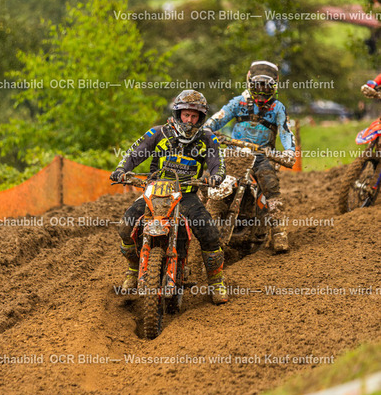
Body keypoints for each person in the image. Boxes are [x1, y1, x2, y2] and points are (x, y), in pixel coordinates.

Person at [110, 90, 228, 304]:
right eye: (186, 115)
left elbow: (217, 163)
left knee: (210, 233)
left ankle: (216, 282)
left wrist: (216, 176)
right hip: (155, 193)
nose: (189, 120)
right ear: (178, 114)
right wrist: (121, 170)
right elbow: (134, 153)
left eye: (194, 116)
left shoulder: (207, 138)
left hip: (186, 194)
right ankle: (133, 269)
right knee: (126, 227)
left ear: (201, 118)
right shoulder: (158, 133)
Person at [205, 61, 296, 253]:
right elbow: (219, 118)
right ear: (250, 84)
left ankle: (279, 231)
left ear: (274, 87)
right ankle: (203, 222)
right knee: (211, 179)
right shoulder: (238, 102)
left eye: (266, 87)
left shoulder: (277, 107)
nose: (262, 92)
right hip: (234, 153)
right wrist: (205, 129)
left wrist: (289, 151)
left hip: (262, 155)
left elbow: (285, 131)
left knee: (270, 184)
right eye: (258, 86)